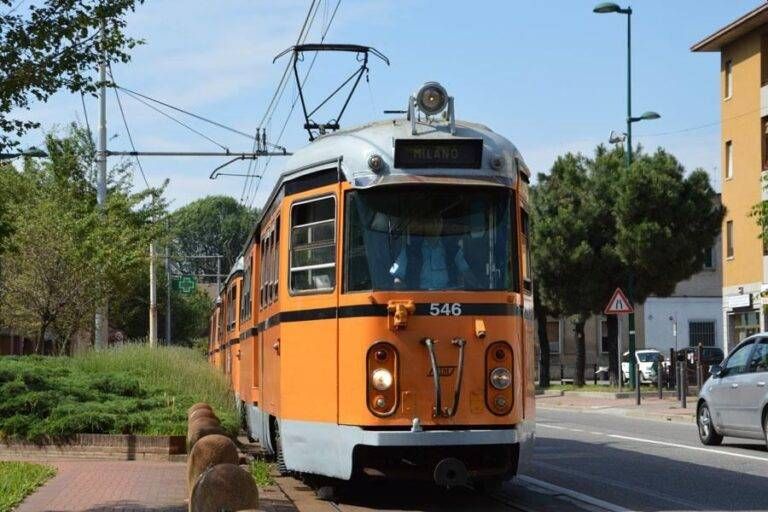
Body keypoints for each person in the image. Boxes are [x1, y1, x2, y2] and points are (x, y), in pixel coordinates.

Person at [389, 215, 476, 289]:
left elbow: (467, 273)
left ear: (442, 224)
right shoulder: (409, 251)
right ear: (425, 225)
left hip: (449, 302)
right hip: (419, 301)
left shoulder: (453, 251)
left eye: (438, 221)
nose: (435, 224)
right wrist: (404, 292)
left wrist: (480, 290)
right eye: (431, 222)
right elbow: (397, 278)